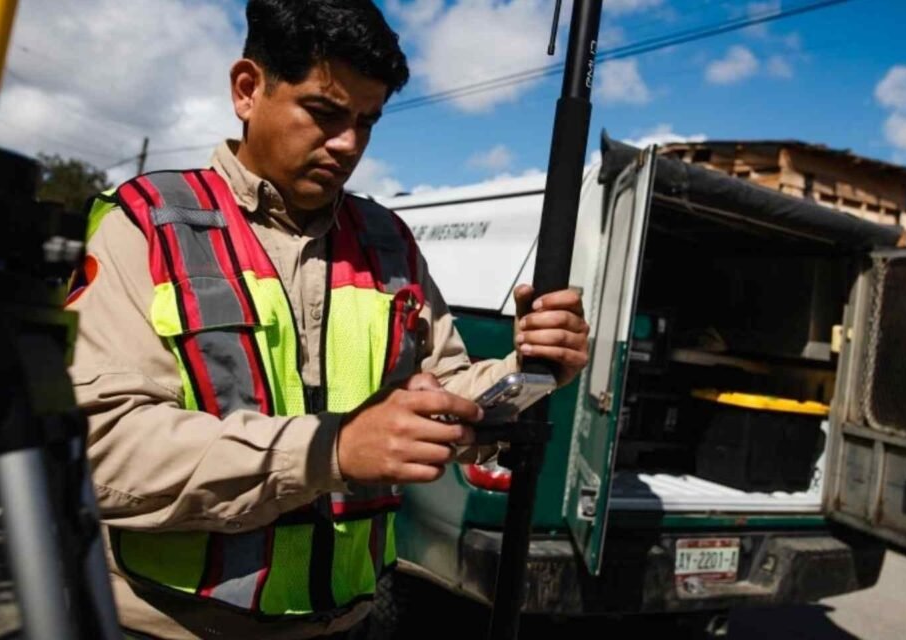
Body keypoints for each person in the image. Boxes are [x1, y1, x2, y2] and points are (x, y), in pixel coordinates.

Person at [66, 1, 590, 637]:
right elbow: (104, 452)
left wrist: (532, 370)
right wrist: (331, 451)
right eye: (324, 112)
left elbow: (448, 394)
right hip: (165, 626)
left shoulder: (388, 241)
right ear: (247, 89)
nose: (348, 144)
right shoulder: (147, 225)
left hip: (350, 625)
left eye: (366, 122)